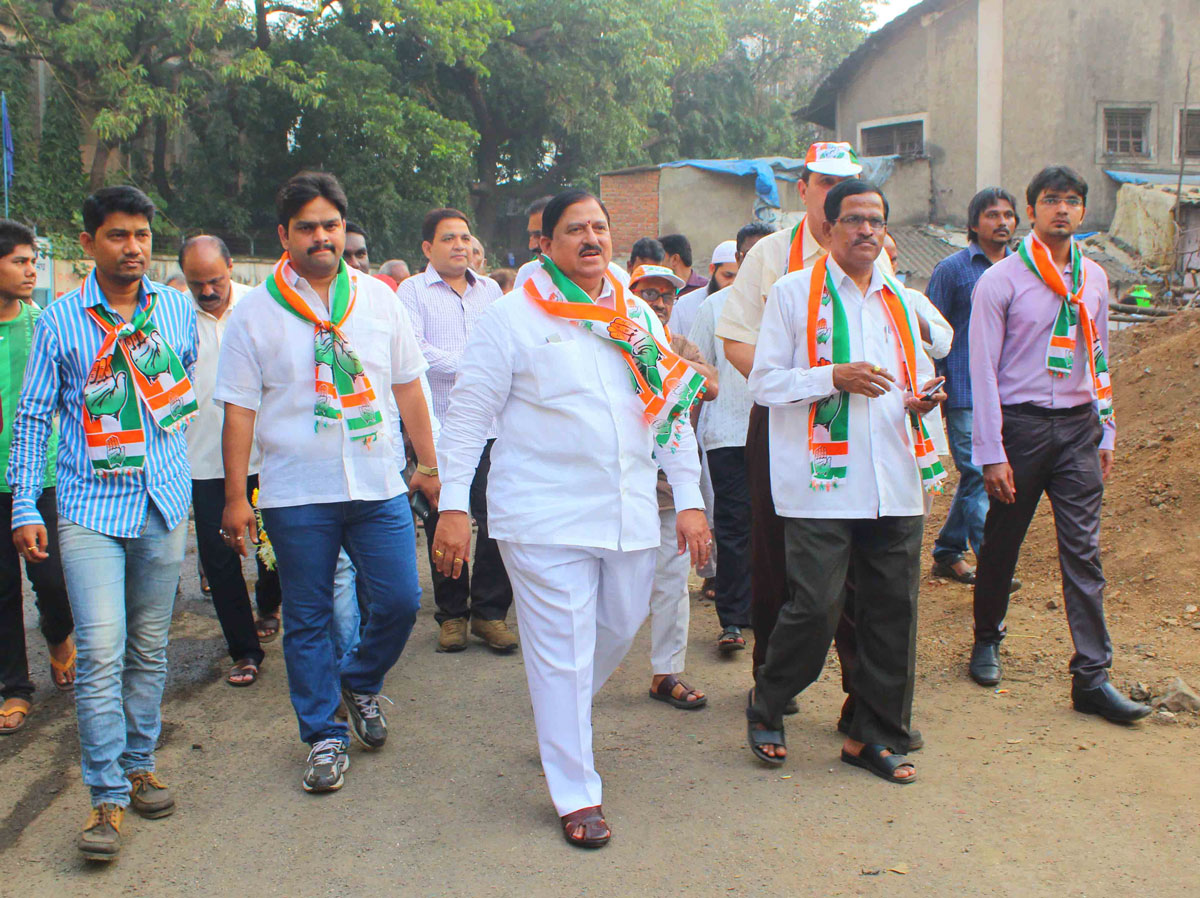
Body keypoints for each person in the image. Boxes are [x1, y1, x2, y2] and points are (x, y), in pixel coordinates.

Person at [432, 189, 711, 848]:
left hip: (627, 511)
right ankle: (577, 794)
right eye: (575, 230)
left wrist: (691, 496)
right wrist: (451, 507)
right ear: (547, 244)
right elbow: (469, 415)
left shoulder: (635, 311)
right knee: (561, 654)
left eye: (599, 227)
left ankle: (564, 724)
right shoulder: (511, 318)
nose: (591, 239)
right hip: (542, 514)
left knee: (616, 626)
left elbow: (668, 408)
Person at [216, 172, 440, 793]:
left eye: (332, 225)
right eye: (308, 227)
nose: (322, 237)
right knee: (309, 617)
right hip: (296, 491)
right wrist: (237, 498)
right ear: (284, 234)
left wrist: (430, 466)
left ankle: (361, 679)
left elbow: (408, 387)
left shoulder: (378, 299)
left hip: (376, 484)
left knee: (400, 600)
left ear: (345, 229)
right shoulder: (254, 314)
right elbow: (239, 408)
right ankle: (323, 736)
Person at [9, 186, 199, 860]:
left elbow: (181, 399)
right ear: (88, 243)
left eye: (143, 235)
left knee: (150, 649)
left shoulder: (176, 311)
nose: (135, 248)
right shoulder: (59, 321)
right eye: (119, 236)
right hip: (90, 507)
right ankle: (107, 797)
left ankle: (141, 762)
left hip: (163, 504)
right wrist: (25, 504)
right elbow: (33, 417)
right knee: (101, 653)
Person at [744, 179, 945, 783]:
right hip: (820, 482)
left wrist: (921, 399)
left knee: (893, 612)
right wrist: (833, 376)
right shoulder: (790, 294)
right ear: (827, 230)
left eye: (876, 221)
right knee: (817, 606)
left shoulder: (902, 301)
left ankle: (872, 736)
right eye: (853, 219)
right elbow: (763, 383)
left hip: (895, 476)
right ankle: (770, 700)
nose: (866, 230)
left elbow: (922, 377)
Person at [967, 166, 1150, 724]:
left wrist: (1107, 429)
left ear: (1083, 211)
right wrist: (991, 452)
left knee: (1083, 550)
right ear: (1031, 210)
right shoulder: (1001, 280)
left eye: (1072, 201)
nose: (1062, 210)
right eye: (1051, 200)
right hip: (1019, 426)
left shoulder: (1094, 278)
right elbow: (984, 370)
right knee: (1002, 541)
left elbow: (1100, 357)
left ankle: (1092, 676)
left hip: (1077, 428)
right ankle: (986, 638)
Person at [716, 141, 878, 683]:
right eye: (826, 183)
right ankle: (773, 683)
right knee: (776, 552)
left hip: (859, 419)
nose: (837, 193)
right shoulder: (771, 256)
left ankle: (862, 693)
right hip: (784, 423)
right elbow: (736, 339)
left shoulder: (875, 246)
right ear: (804, 189)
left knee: (860, 556)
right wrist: (790, 392)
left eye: (847, 181)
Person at [397, 208, 514, 653]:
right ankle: (452, 615)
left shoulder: (491, 292)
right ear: (428, 248)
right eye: (449, 238)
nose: (460, 245)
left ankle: (489, 612)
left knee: (496, 516)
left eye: (465, 237)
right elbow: (415, 351)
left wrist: (487, 367)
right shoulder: (412, 291)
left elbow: (505, 347)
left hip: (494, 428)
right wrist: (476, 366)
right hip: (441, 428)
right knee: (446, 518)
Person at [179, 235, 283, 686]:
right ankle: (244, 650)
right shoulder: (174, 319)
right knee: (219, 558)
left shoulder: (260, 307)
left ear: (232, 268)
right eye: (196, 283)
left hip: (265, 454)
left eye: (215, 280)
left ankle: (270, 600)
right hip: (202, 461)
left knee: (272, 551)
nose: (207, 292)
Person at [627, 263, 718, 711]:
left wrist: (662, 358)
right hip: (618, 485)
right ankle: (576, 677)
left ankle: (666, 672)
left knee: (670, 582)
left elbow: (713, 385)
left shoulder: (680, 345)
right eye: (650, 293)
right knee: (611, 585)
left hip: (671, 488)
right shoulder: (612, 340)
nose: (659, 303)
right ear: (631, 294)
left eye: (667, 296)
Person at [0, 220, 74, 735]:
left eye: (33, 261)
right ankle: (15, 686)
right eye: (19, 261)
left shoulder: (42, 324)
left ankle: (58, 632)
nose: (31, 270)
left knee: (50, 577)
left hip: (39, 474)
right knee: (2, 588)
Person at [688, 223, 774, 653]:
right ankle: (733, 620)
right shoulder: (715, 307)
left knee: (775, 528)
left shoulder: (789, 304)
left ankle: (769, 614)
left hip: (781, 435)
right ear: (738, 260)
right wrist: (684, 437)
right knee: (735, 529)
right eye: (750, 254)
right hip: (726, 436)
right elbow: (697, 374)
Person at [928, 188, 1020, 585]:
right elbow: (931, 332)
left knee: (974, 474)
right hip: (964, 389)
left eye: (1009, 215)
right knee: (977, 471)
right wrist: (935, 388)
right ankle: (993, 562)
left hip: (1008, 392)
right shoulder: (953, 270)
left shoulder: (1023, 269)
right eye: (992, 215)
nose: (1002, 222)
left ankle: (948, 552)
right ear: (973, 224)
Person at [670, 238, 737, 346]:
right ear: (712, 269)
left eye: (739, 278)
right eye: (727, 276)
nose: (732, 284)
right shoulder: (682, 306)